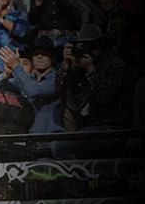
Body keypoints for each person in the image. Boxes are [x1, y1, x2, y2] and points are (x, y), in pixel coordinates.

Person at [52, 24, 133, 159]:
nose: (87, 51)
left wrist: (90, 70)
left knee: (60, 146)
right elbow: (59, 89)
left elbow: (105, 98)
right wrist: (66, 65)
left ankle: (76, 173)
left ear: (102, 45)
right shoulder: (79, 65)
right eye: (83, 46)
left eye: (91, 46)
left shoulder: (115, 66)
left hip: (114, 127)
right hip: (89, 127)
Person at [0, 37, 65, 134]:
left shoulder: (57, 79)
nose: (39, 56)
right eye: (36, 54)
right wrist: (6, 74)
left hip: (51, 137)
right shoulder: (27, 79)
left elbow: (34, 91)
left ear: (53, 58)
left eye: (44, 54)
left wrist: (15, 66)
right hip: (29, 137)